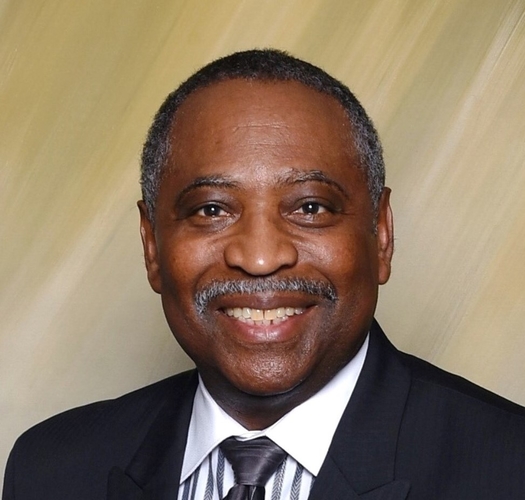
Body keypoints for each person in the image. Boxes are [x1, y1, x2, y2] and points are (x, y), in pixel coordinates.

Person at [3, 49, 525, 500]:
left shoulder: (509, 467)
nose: (259, 257)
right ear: (152, 245)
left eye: (311, 207)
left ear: (381, 234)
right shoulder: (51, 470)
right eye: (211, 210)